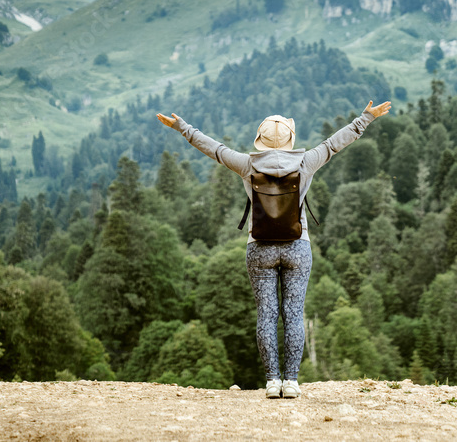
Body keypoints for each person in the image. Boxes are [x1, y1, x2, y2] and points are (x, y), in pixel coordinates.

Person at [156, 99, 391, 398]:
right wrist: (366, 118)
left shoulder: (247, 164)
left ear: (261, 140)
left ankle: (271, 382)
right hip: (297, 246)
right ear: (290, 139)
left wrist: (182, 127)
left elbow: (213, 148)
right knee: (293, 313)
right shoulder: (306, 161)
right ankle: (291, 382)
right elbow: (335, 143)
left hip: (259, 248)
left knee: (266, 315)